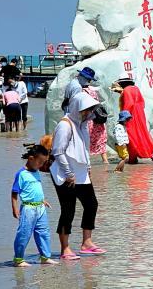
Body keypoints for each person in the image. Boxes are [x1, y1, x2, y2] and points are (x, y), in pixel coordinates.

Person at [50, 92, 105, 260]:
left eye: (90, 110)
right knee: (68, 210)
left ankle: (86, 243)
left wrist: (88, 167)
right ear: (76, 108)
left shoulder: (82, 124)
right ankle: (65, 248)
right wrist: (68, 173)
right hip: (65, 173)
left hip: (81, 172)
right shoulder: (65, 125)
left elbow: (84, 147)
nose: (88, 113)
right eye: (86, 110)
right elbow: (58, 151)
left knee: (91, 204)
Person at [11, 144, 58, 267]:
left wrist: (43, 200)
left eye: (44, 162)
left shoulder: (36, 172)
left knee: (43, 232)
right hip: (28, 209)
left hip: (40, 208)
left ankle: (45, 257)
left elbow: (35, 189)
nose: (41, 165)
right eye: (40, 162)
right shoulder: (21, 174)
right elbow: (14, 193)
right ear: (31, 159)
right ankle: (18, 259)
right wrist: (15, 208)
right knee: (24, 233)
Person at [113, 72, 153, 161]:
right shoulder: (135, 88)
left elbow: (129, 104)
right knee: (142, 133)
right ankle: (150, 152)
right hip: (140, 115)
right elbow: (141, 102)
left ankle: (134, 157)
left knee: (131, 136)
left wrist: (123, 118)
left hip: (130, 116)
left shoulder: (126, 90)